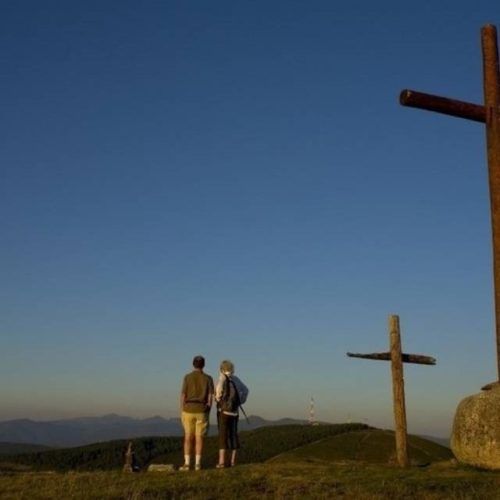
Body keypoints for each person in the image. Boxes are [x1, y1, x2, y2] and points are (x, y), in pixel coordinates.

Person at [179, 355, 214, 471]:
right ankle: (198, 464)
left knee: (188, 437)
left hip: (188, 409)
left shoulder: (187, 377)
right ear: (203, 365)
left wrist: (182, 408)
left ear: (193, 364)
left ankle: (187, 463)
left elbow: (183, 395)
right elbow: (210, 397)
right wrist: (208, 409)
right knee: (199, 438)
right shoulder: (208, 378)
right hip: (201, 410)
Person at [215, 359, 249, 468]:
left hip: (224, 412)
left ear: (221, 369)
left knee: (223, 436)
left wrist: (218, 400)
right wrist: (240, 401)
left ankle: (222, 462)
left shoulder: (221, 379)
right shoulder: (236, 379)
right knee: (233, 435)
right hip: (235, 412)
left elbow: (218, 392)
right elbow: (246, 390)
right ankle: (233, 461)